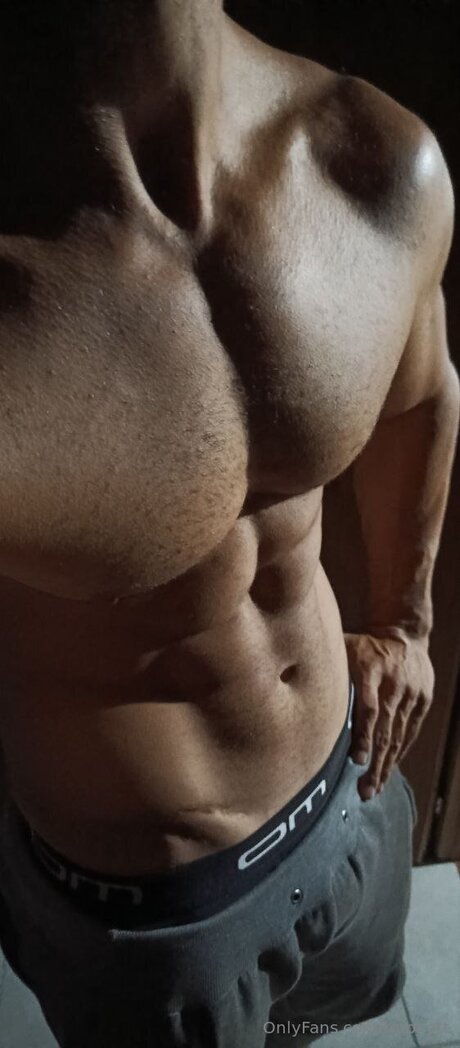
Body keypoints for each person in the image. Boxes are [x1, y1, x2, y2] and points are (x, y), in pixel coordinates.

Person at [0, 1, 458, 1045]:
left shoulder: (375, 160)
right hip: (158, 932)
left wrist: (408, 619)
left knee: (322, 1018)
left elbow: (421, 391)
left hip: (352, 794)